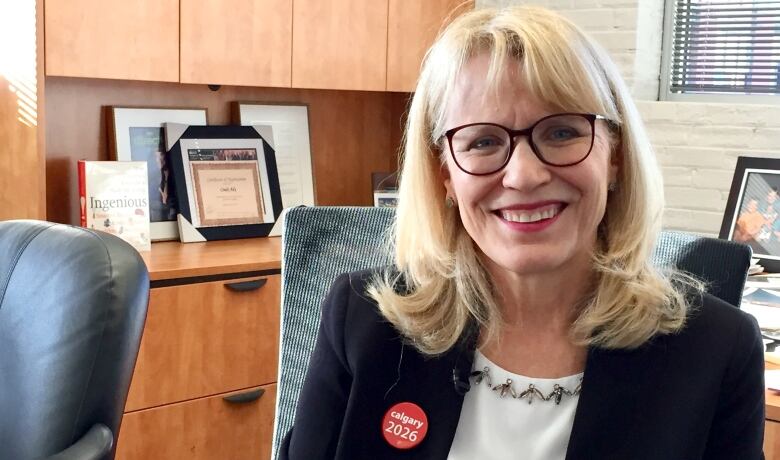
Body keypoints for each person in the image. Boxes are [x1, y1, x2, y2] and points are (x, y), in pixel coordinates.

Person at [280, 6, 764, 460]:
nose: (524, 176)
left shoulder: (718, 352)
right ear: (445, 174)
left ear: (614, 155)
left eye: (561, 132)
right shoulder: (362, 322)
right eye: (484, 141)